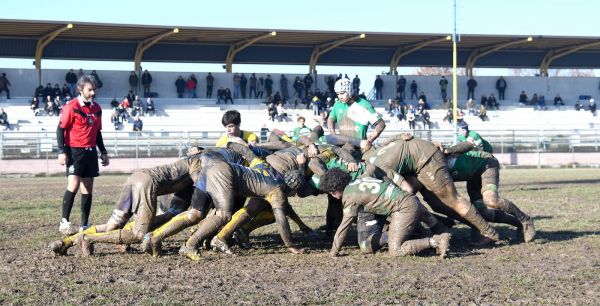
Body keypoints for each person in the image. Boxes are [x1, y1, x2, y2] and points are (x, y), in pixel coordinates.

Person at [363, 137, 500, 245]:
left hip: (425, 159)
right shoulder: (372, 156)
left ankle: (488, 232)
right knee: (436, 203)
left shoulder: (378, 168)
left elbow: (408, 189)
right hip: (419, 157)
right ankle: (458, 226)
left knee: (452, 200)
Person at [319, 168, 451, 258]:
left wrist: (334, 252)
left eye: (331, 192)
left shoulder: (349, 197)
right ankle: (440, 232)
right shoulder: (360, 179)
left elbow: (344, 227)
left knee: (396, 250)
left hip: (403, 208)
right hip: (409, 199)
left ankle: (436, 241)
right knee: (427, 222)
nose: (331, 195)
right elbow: (374, 168)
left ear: (336, 189)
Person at [56, 75, 109, 235]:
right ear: (81, 89)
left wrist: (103, 152)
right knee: (73, 184)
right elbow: (60, 129)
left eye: (94, 89)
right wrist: (61, 152)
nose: (93, 92)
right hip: (74, 151)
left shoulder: (97, 109)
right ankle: (64, 221)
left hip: (91, 151)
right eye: (90, 89)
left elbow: (97, 133)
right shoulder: (71, 107)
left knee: (88, 187)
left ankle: (84, 224)